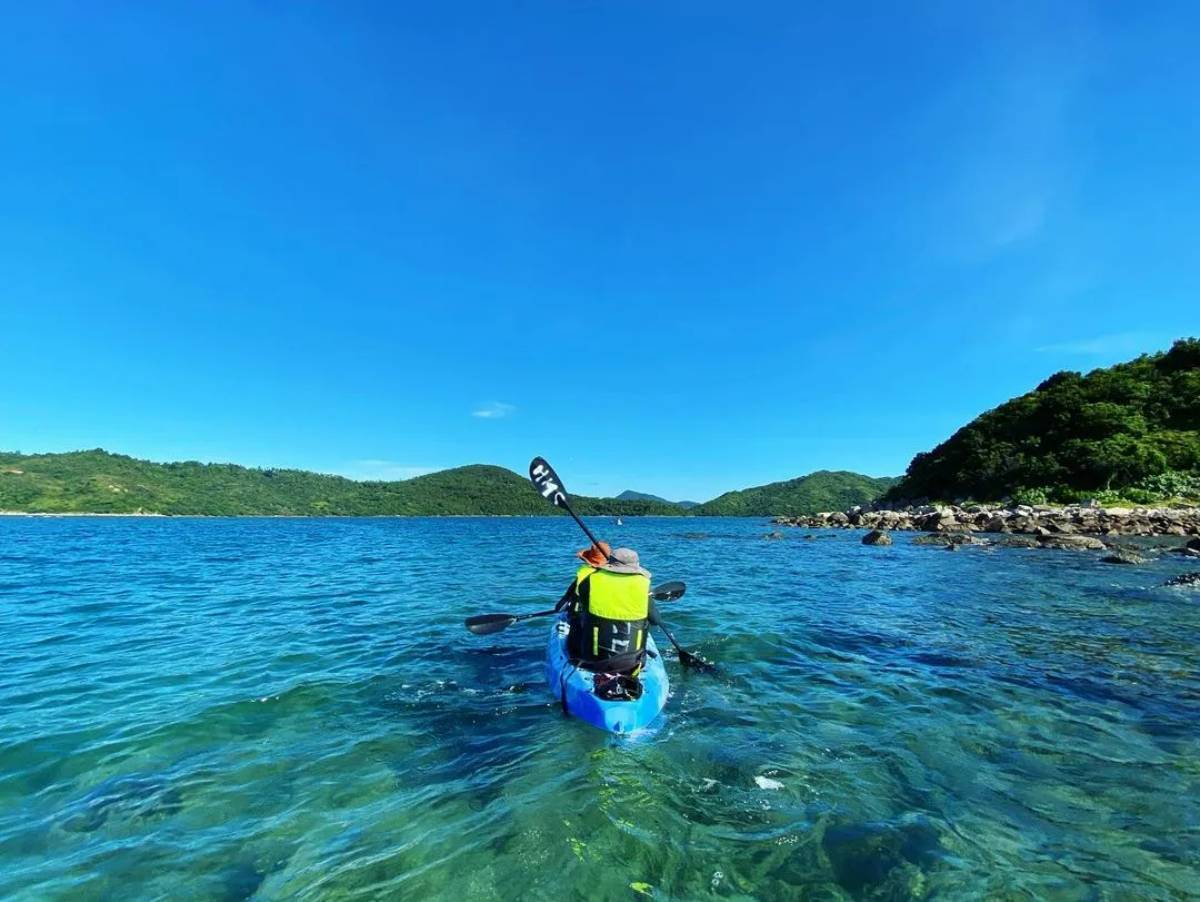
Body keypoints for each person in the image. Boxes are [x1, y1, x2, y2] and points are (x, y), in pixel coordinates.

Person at [554, 541, 657, 676]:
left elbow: (575, 611)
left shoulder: (589, 581)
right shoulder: (643, 587)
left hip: (592, 661)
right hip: (633, 664)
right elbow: (655, 620)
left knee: (580, 622)